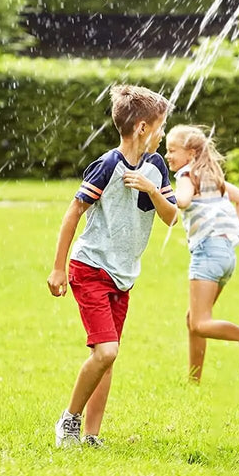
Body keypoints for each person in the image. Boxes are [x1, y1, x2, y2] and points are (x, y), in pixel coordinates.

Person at [47, 84, 178, 447]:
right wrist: (58, 268)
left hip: (123, 276)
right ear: (141, 128)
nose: (162, 133)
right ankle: (68, 421)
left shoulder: (156, 166)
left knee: (105, 358)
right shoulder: (107, 165)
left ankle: (91, 437)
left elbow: (172, 218)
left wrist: (151, 189)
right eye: (160, 126)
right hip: (90, 268)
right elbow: (73, 212)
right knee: (107, 351)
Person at [164, 124, 239, 382]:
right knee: (194, 318)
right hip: (225, 255)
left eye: (172, 150)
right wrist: (227, 237)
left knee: (199, 323)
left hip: (207, 254)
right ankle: (194, 379)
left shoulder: (187, 175)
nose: (167, 156)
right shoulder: (213, 177)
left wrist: (159, 192)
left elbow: (184, 201)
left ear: (190, 154)